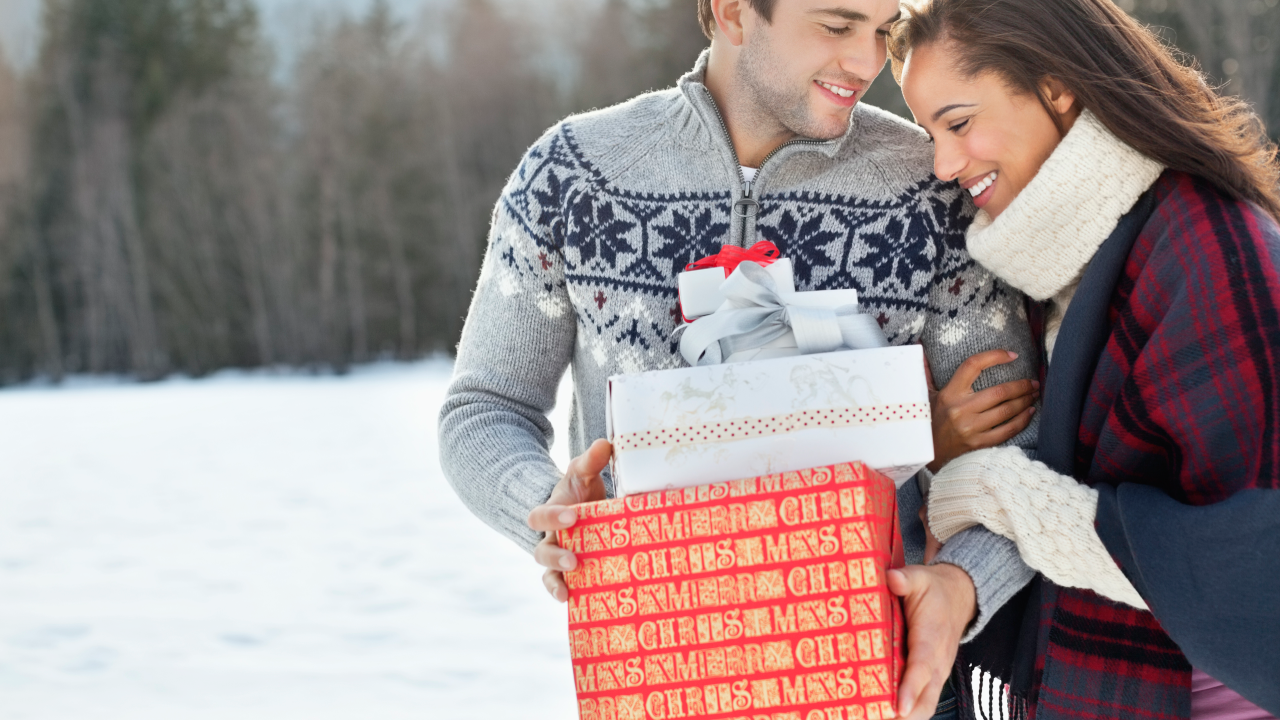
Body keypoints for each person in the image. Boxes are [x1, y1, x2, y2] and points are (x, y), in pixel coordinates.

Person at [440, 1, 1042, 717]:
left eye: (883, 32)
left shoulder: (928, 188)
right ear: (731, 12)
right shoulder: (574, 176)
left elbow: (1024, 447)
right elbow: (484, 408)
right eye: (836, 25)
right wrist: (545, 507)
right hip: (656, 675)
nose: (867, 62)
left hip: (886, 682)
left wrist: (962, 584)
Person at [890, 0, 1280, 718]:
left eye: (959, 122)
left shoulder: (1210, 244)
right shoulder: (1052, 263)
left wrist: (1003, 493)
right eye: (928, 133)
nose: (943, 165)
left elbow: (1251, 571)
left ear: (1057, 85)